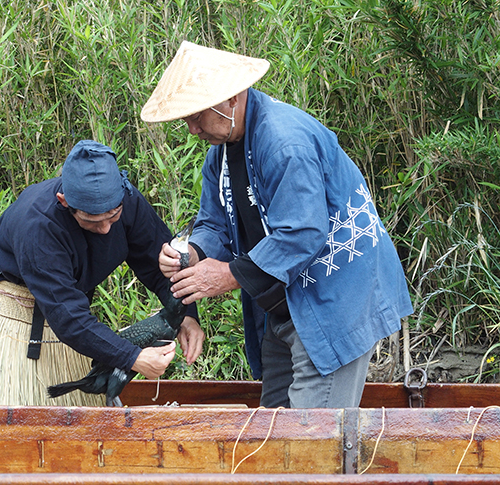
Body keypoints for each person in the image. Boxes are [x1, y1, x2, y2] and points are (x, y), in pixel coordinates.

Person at [141, 41, 413, 408]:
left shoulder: (284, 142)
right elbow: (213, 222)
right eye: (185, 120)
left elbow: (302, 233)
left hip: (334, 295)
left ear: (231, 98)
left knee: (312, 441)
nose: (191, 129)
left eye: (196, 116)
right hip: (285, 302)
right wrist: (192, 252)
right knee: (274, 430)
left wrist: (227, 275)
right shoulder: (219, 155)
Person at [0, 139, 203, 406]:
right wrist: (134, 358)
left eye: (113, 216)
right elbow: (68, 316)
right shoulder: (38, 226)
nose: (106, 228)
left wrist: (186, 315)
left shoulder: (126, 201)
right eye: (92, 221)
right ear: (64, 202)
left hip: (68, 317)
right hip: (13, 319)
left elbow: (160, 265)